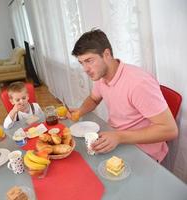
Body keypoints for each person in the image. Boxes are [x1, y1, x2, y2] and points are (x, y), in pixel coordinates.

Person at [70, 29, 178, 162]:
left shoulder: (138, 83)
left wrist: (119, 137)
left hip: (143, 151)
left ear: (107, 54)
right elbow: (93, 99)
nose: (85, 69)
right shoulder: (101, 75)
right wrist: (80, 111)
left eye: (89, 61)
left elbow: (170, 130)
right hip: (116, 138)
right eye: (82, 63)